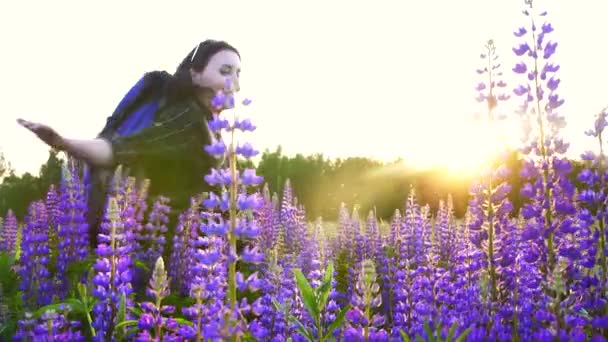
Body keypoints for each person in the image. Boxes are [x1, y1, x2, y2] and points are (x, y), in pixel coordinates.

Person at [17, 39, 242, 248]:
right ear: (196, 75)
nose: (235, 83)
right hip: (159, 245)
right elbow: (119, 149)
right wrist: (62, 143)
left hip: (191, 245)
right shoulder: (185, 120)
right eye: (225, 71)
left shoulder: (211, 124)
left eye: (238, 73)